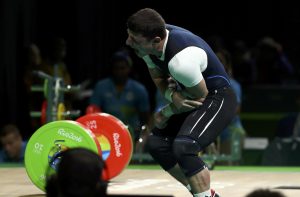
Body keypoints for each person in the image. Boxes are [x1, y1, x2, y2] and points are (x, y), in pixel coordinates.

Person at [126, 8, 237, 197]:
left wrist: (167, 111)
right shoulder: (149, 44)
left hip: (217, 97)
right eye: (129, 36)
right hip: (191, 93)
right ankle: (201, 193)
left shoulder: (180, 63)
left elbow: (200, 98)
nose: (128, 42)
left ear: (156, 41)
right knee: (157, 143)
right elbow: (158, 79)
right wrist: (173, 97)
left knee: (185, 147)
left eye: (134, 40)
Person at [89, 49, 151, 153]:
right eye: (116, 68)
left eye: (122, 68)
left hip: (131, 135)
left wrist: (142, 139)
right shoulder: (101, 86)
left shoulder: (139, 89)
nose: (119, 72)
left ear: (129, 68)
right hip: (106, 135)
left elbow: (146, 118)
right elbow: (93, 112)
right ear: (112, 69)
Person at [215, 49, 246, 160]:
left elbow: (236, 110)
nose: (216, 62)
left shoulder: (232, 84)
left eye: (220, 60)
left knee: (227, 168)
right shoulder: (207, 84)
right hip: (214, 132)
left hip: (231, 133)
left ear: (226, 64)